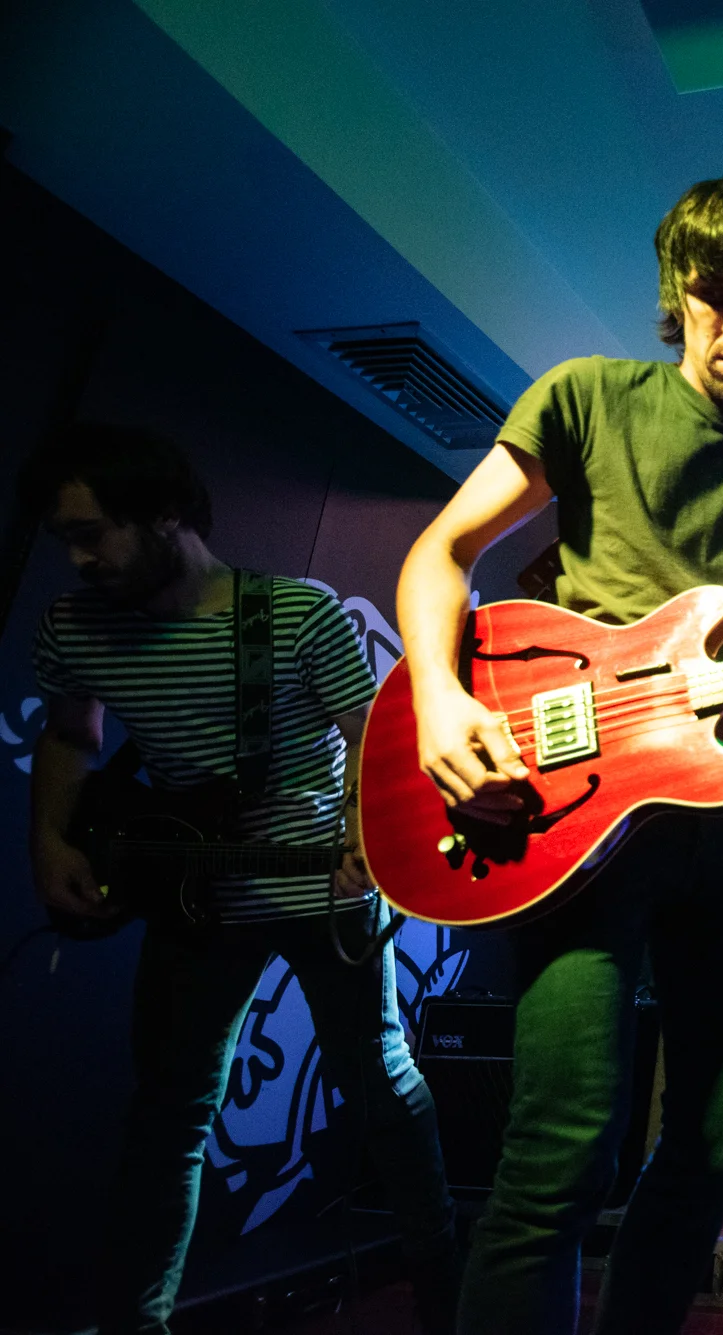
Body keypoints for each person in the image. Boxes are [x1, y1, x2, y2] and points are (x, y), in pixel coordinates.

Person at [392, 175, 723, 1333]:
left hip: (721, 827)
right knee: (560, 1149)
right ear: (678, 294)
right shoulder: (584, 398)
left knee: (720, 1138)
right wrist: (437, 702)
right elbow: (441, 552)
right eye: (716, 296)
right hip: (581, 820)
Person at [21, 424, 457, 1334]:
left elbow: (375, 739)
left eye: (92, 533)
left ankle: (445, 1294)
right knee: (169, 1114)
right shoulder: (75, 627)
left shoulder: (292, 617)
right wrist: (51, 842)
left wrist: (362, 831)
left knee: (380, 1085)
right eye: (65, 539)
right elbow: (70, 735)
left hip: (319, 886)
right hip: (193, 896)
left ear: (165, 514)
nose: (78, 559)